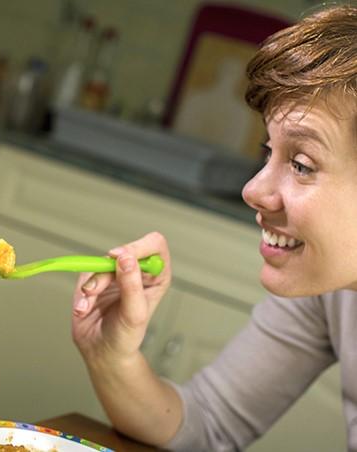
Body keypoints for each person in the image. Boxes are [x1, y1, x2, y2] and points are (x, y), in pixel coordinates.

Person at [71, 4, 357, 451]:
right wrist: (111, 357)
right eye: (269, 153)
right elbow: (209, 425)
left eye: (301, 164)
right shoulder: (333, 291)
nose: (254, 191)